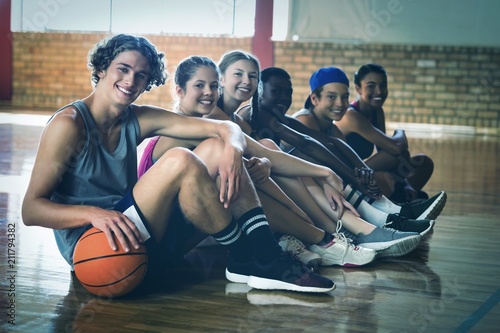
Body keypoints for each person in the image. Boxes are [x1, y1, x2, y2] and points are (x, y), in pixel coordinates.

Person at [20, 34, 336, 294]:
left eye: (141, 75)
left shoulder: (138, 118)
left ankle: (260, 257)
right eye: (123, 69)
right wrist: (93, 214)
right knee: (181, 159)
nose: (131, 80)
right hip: (96, 246)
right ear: (102, 68)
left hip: (138, 229)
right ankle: (256, 256)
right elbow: (32, 210)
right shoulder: (69, 125)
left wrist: (231, 153)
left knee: (216, 147)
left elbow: (226, 128)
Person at [138, 55, 378, 269]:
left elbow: (270, 154)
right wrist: (297, 208)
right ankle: (321, 238)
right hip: (161, 230)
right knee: (230, 171)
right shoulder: (184, 129)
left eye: (213, 86)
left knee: (240, 175)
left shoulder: (214, 126)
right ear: (179, 91)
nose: (209, 92)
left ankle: (319, 239)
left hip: (196, 220)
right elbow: (299, 144)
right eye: (199, 86)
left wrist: (324, 173)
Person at [208, 52, 425, 258]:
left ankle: (362, 223)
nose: (246, 80)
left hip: (262, 187)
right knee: (296, 157)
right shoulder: (235, 116)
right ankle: (356, 225)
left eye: (252, 75)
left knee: (297, 161)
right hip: (221, 203)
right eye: (238, 74)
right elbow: (299, 146)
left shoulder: (240, 120)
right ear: (222, 79)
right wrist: (332, 176)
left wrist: (335, 175)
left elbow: (330, 143)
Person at [238, 66, 446, 227]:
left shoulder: (279, 117)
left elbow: (332, 142)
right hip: (280, 183)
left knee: (418, 164)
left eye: (288, 92)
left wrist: (360, 170)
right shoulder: (261, 115)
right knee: (310, 156)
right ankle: (388, 212)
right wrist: (356, 176)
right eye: (277, 91)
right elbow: (305, 146)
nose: (284, 97)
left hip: (303, 179)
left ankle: (391, 211)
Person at [335, 64, 435, 203]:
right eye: (371, 86)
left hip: (362, 170)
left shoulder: (376, 111)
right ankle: (400, 198)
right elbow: (395, 148)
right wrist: (400, 132)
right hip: (344, 175)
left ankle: (405, 194)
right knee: (390, 163)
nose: (379, 91)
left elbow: (389, 150)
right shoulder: (351, 116)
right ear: (358, 89)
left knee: (424, 163)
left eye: (383, 85)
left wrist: (405, 182)